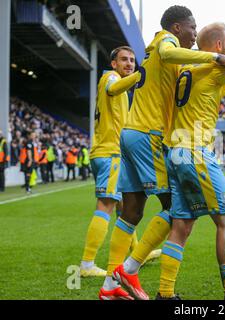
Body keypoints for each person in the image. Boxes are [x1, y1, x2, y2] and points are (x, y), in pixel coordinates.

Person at [115, 22, 225, 300]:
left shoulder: (188, 69)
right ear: (220, 47)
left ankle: (165, 292)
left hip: (174, 152)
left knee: (182, 224)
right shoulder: (213, 68)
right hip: (195, 152)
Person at [99, 5, 225, 301]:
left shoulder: (162, 56)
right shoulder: (166, 41)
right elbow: (169, 53)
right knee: (178, 211)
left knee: (133, 212)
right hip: (149, 134)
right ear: (177, 27)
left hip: (131, 133)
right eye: (191, 27)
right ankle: (128, 269)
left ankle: (111, 286)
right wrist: (216, 56)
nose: (193, 33)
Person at [80, 46, 144, 279]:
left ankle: (136, 254)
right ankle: (87, 264)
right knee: (106, 205)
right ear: (113, 63)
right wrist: (142, 74)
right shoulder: (111, 77)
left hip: (106, 153)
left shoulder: (121, 88)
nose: (129, 63)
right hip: (109, 154)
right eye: (124, 60)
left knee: (124, 208)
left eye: (132, 61)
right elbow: (113, 87)